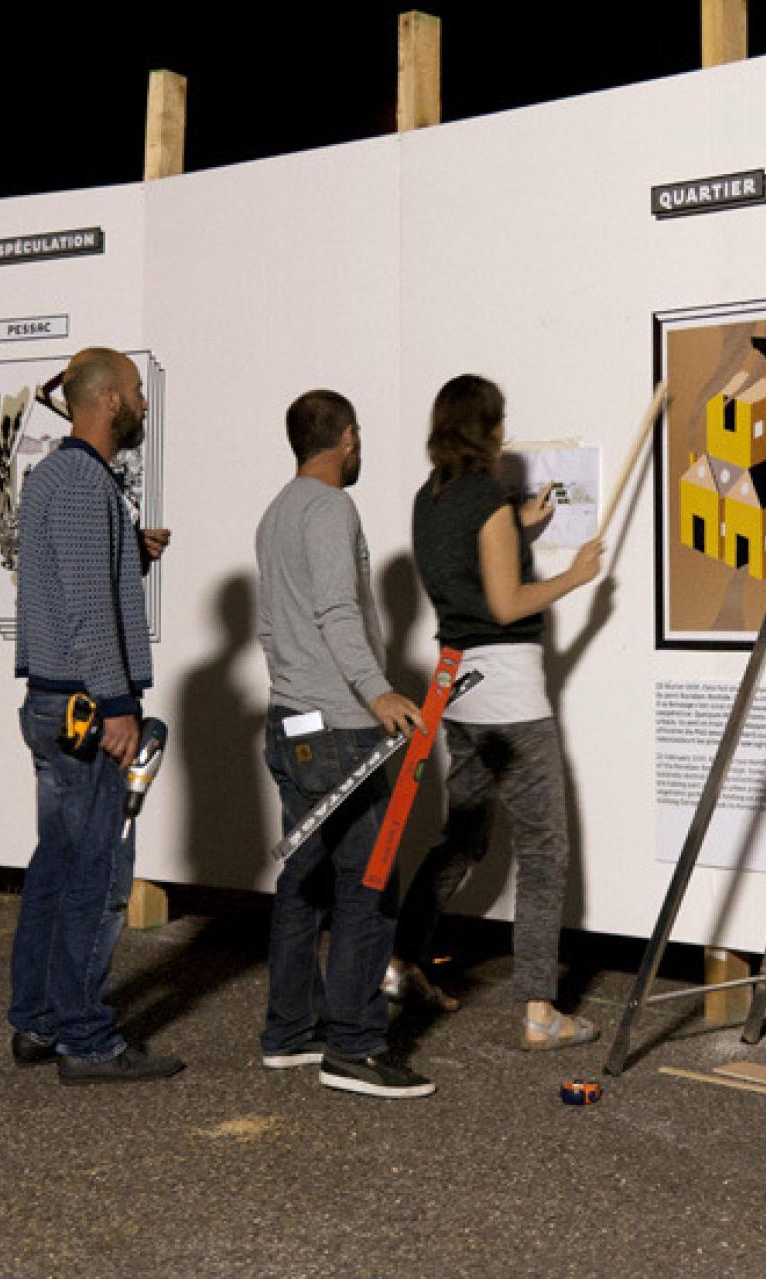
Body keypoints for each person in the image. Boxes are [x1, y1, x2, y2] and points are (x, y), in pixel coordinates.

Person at [394, 374, 605, 1051]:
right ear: (486, 427)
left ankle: (399, 962)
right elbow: (509, 604)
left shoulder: (431, 500)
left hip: (458, 688)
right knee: (544, 848)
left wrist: (523, 526)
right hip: (512, 694)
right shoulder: (486, 496)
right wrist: (575, 575)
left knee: (462, 836)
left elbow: (470, 561)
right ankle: (540, 1010)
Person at [255, 389, 435, 1098]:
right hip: (338, 727)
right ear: (348, 438)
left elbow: (277, 628)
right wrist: (376, 690)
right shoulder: (332, 508)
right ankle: (355, 1048)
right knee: (369, 884)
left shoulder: (277, 511)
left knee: (303, 881)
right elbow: (335, 609)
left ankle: (291, 1032)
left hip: (290, 721)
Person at [9, 347, 182, 1084]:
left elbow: (63, 576)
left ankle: (38, 1021)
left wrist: (125, 552)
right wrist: (116, 708)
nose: (144, 402)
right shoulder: (84, 481)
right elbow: (84, 611)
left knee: (55, 862)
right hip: (86, 709)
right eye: (137, 392)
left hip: (51, 703)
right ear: (109, 401)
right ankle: (84, 1036)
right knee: (100, 871)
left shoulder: (53, 477)